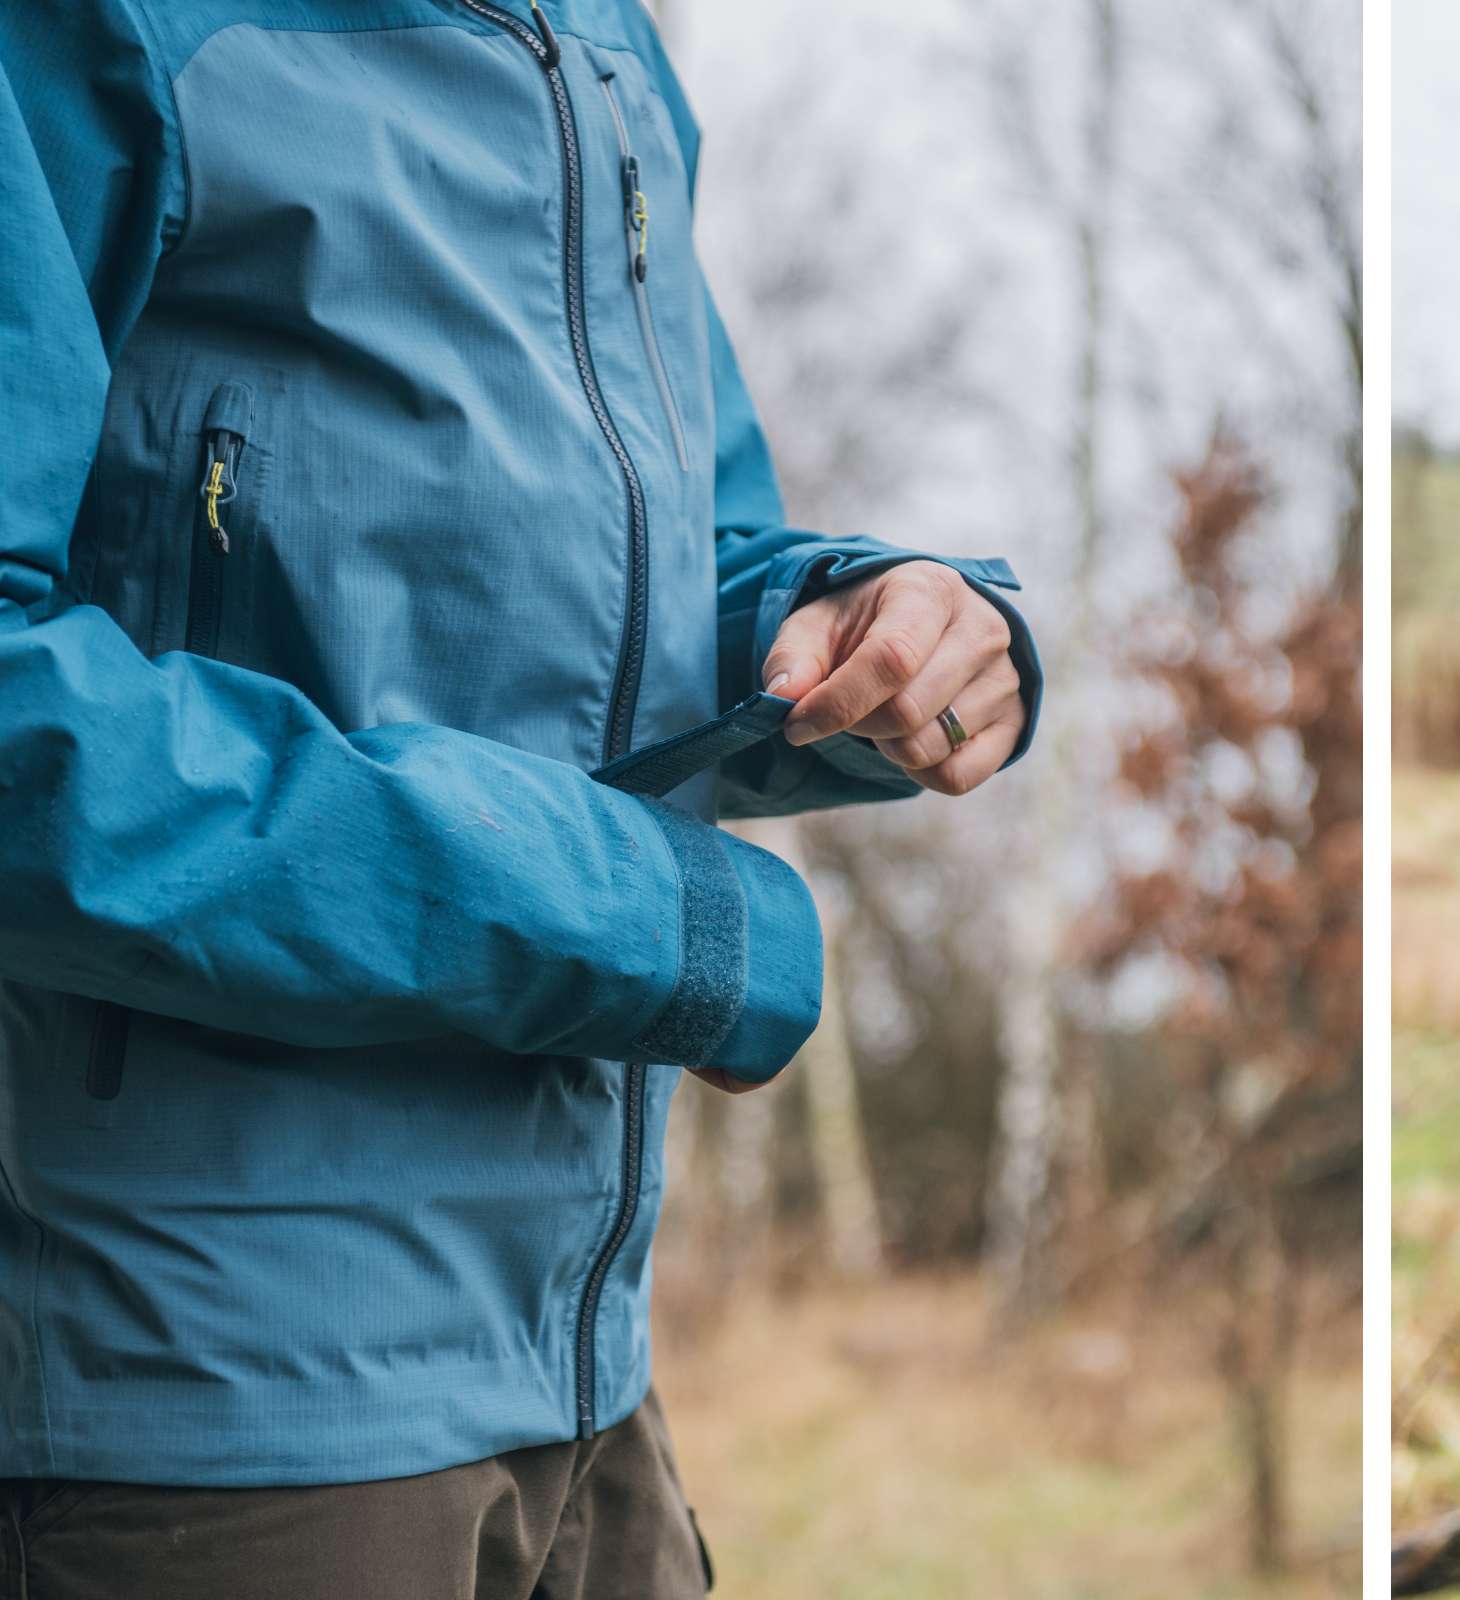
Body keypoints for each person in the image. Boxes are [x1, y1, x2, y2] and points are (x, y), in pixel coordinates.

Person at [0, 2, 1039, 1593]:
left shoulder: (604, 49)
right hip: (213, 1395)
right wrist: (640, 922)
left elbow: (646, 583)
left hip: (586, 1380)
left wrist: (857, 626)